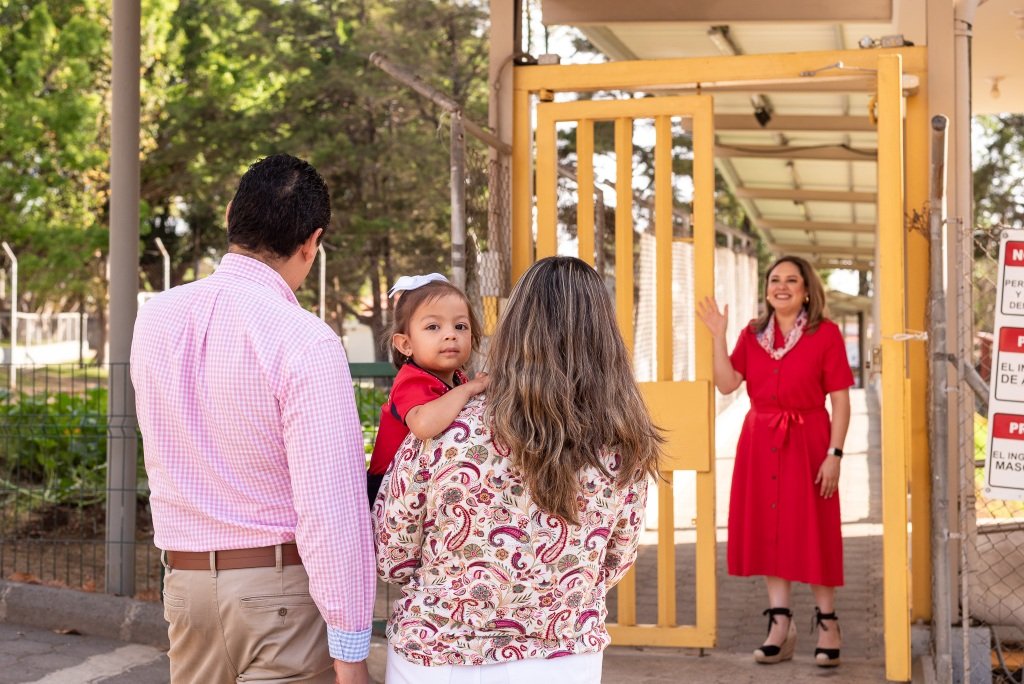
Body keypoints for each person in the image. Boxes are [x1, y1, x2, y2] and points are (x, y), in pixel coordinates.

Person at [131, 154, 375, 684]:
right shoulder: (306, 340)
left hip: (186, 587)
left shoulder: (153, 320)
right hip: (278, 593)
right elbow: (330, 508)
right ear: (312, 242)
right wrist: (350, 648)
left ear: (231, 218)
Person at [372, 255, 663, 684]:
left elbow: (392, 556)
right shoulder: (623, 441)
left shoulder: (447, 429)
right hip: (565, 655)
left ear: (514, 330)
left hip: (442, 651)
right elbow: (616, 558)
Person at [696, 255, 853, 668]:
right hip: (760, 439)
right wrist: (717, 335)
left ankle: (828, 624)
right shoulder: (752, 335)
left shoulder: (826, 335)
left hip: (809, 441)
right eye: (774, 280)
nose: (781, 286)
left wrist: (834, 456)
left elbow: (839, 400)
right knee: (771, 528)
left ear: (806, 291)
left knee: (813, 528)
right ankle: (780, 627)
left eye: (791, 280)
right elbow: (729, 383)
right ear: (767, 289)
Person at [366, 275, 488, 504]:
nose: (451, 334)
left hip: (421, 482)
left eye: (460, 326)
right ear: (406, 344)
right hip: (390, 490)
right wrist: (470, 389)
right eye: (433, 327)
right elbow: (423, 425)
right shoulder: (412, 380)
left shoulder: (458, 378)